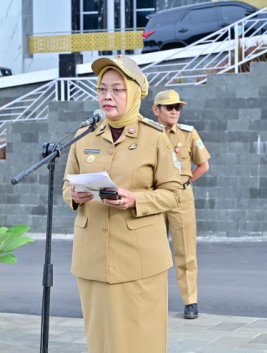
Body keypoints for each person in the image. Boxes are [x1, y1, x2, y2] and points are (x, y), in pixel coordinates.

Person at [62, 55, 182, 352]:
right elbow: (68, 183)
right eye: (103, 88)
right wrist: (74, 196)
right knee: (102, 338)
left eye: (117, 89)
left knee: (142, 338)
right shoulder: (83, 135)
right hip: (93, 258)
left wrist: (135, 199)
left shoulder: (155, 138)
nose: (107, 96)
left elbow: (173, 192)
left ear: (134, 93)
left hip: (139, 258)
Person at [152, 89, 211, 319]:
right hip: (154, 197)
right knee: (153, 251)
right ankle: (154, 301)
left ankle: (190, 301)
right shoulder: (148, 134)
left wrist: (184, 184)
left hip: (180, 197)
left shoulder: (188, 133)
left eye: (178, 107)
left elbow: (203, 165)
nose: (175, 111)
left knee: (185, 250)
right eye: (170, 107)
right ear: (156, 110)